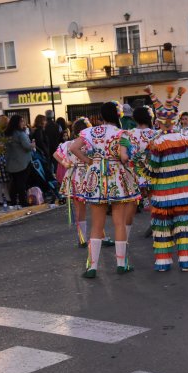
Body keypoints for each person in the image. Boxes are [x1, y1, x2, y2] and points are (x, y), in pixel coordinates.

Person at [70, 101, 140, 278]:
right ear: (118, 115)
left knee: (97, 223)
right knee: (119, 222)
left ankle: (92, 267)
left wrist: (88, 161)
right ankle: (121, 264)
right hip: (117, 177)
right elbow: (124, 157)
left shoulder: (89, 132)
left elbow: (73, 148)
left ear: (101, 116)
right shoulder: (122, 133)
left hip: (95, 177)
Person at [143, 85, 188, 272]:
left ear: (159, 122)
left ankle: (163, 262)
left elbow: (152, 170)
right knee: (183, 226)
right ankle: (187, 260)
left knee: (162, 227)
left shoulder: (157, 143)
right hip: (186, 193)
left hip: (163, 195)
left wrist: (141, 168)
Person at [120, 105, 158, 246]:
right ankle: (158, 236)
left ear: (134, 118)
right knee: (154, 202)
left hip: (133, 173)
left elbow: (123, 157)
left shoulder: (127, 134)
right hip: (153, 173)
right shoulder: (157, 135)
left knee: (132, 205)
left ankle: (125, 239)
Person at [55, 118, 91, 248]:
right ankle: (100, 236)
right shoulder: (89, 144)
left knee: (79, 210)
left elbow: (56, 154)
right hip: (88, 176)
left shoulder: (68, 143)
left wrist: (66, 164)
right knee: (96, 207)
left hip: (73, 176)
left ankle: (82, 238)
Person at [5, 115, 34, 208]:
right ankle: (23, 202)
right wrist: (33, 145)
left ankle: (13, 201)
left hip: (10, 162)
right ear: (17, 123)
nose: (23, 123)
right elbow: (26, 146)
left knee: (13, 183)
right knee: (21, 183)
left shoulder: (7, 133)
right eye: (22, 121)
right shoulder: (20, 134)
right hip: (22, 162)